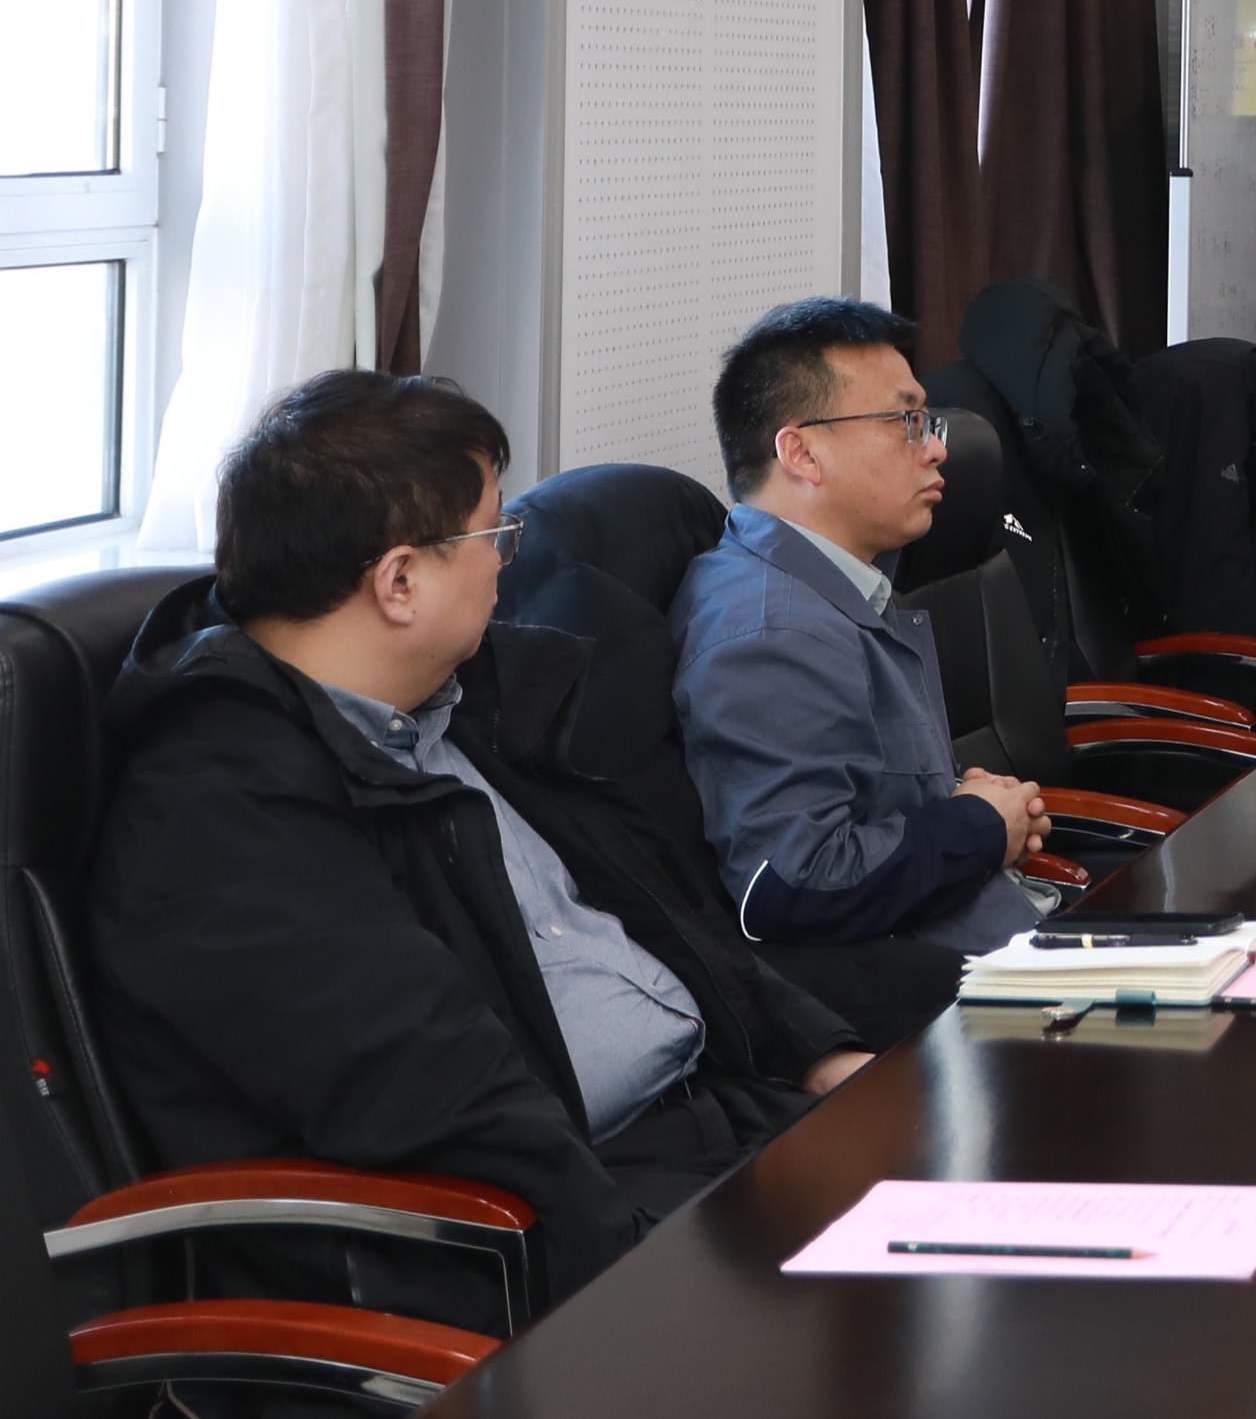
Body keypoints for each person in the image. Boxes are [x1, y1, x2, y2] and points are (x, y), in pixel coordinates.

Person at [88, 371, 869, 1309]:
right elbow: (448, 1108)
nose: (507, 562)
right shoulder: (224, 815)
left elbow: (667, 913)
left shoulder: (460, 704)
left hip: (713, 1121)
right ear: (400, 581)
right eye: (494, 535)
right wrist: (653, 1293)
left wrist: (820, 1056)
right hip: (549, 1237)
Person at [672, 298, 1052, 1024]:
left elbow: (863, 805)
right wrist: (976, 829)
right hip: (953, 999)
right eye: (904, 422)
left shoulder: (832, 585)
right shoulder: (771, 629)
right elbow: (792, 881)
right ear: (802, 453)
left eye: (927, 422)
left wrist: (969, 804)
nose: (934, 448)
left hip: (994, 938)